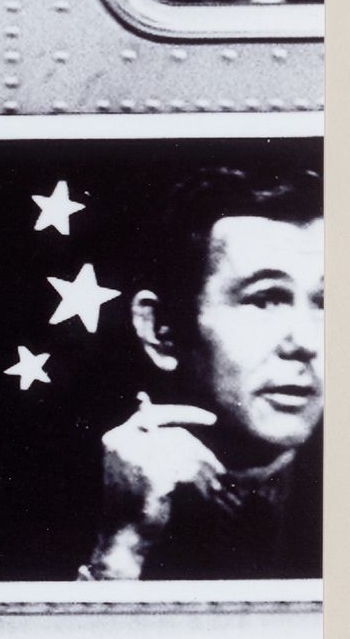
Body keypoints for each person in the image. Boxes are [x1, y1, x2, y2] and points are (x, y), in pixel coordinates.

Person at [82, 167, 322, 581]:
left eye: (328, 302)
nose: (304, 343)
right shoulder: (48, 503)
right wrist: (123, 548)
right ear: (162, 332)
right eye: (264, 300)